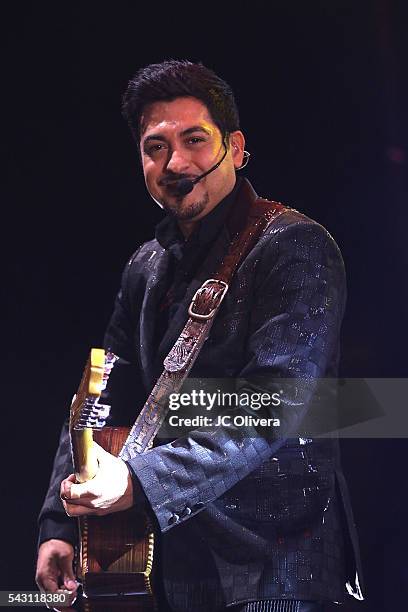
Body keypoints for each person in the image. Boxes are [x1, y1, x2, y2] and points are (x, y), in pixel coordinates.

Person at [36, 60, 363, 612]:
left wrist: (138, 481)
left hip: (277, 567)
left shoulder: (294, 247)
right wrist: (59, 524)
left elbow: (270, 406)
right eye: (155, 147)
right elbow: (99, 396)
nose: (176, 162)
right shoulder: (146, 266)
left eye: (194, 139)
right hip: (170, 565)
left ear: (235, 148)